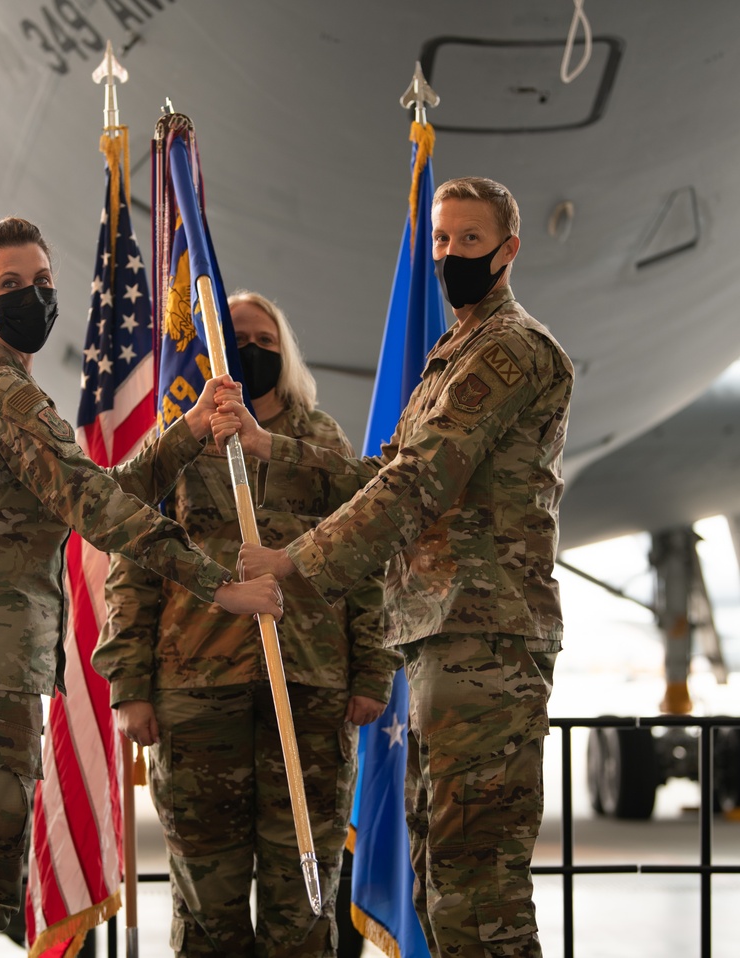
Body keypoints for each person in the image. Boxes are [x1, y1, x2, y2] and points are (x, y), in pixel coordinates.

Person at [214, 179, 575, 958]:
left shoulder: (507, 351)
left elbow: (418, 483)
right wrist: (273, 448)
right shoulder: (455, 354)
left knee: (479, 885)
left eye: (467, 241)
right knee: (440, 875)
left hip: (486, 639)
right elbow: (385, 470)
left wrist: (294, 565)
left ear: (508, 251)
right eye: (440, 240)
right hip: (445, 636)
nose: (447, 256)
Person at [0, 217, 283, 958]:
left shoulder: (5, 388)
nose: (32, 297)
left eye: (43, 284)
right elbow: (100, 510)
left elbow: (90, 492)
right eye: (11, 286)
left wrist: (188, 432)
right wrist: (222, 589)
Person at [92, 290, 401, 957]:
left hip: (310, 687)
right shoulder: (179, 443)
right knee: (208, 898)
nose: (254, 350)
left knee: (304, 895)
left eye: (266, 340)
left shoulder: (318, 442)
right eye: (239, 339)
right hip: (196, 689)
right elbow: (134, 563)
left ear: (284, 351)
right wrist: (131, 685)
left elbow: (366, 557)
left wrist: (374, 668)